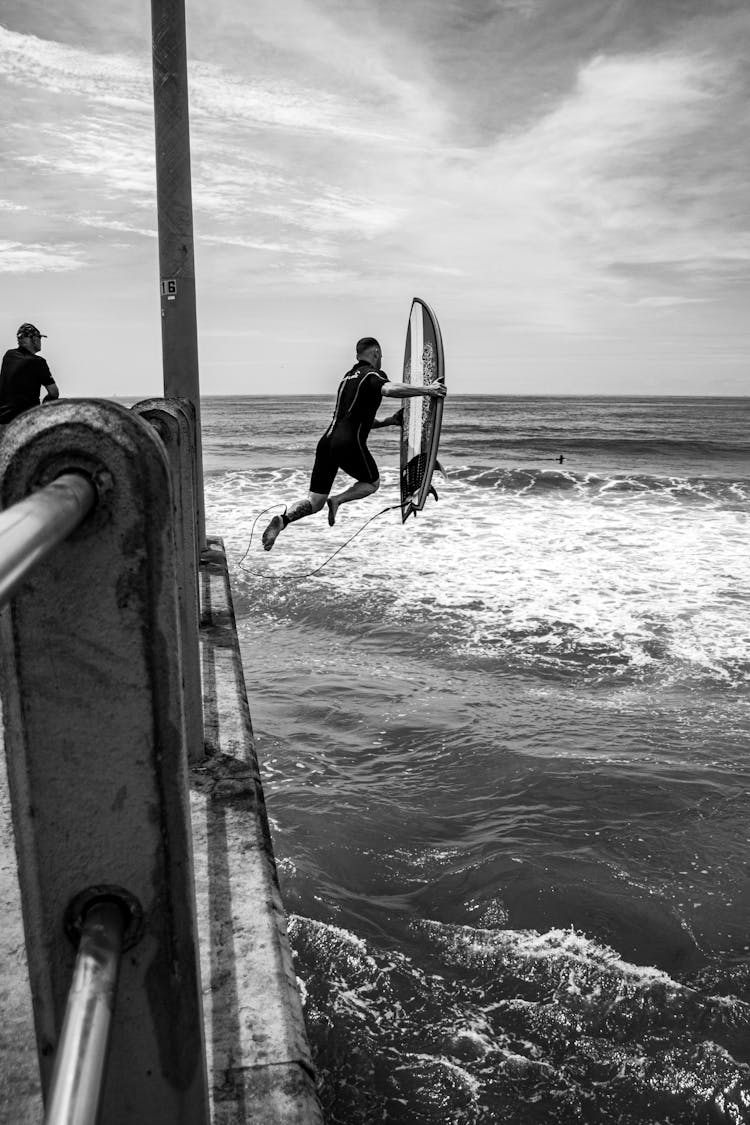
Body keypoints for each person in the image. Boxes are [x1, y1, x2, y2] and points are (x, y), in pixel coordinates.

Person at [262, 336, 446, 551]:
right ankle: (338, 500)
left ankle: (283, 520)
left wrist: (390, 421)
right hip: (347, 444)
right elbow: (388, 389)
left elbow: (354, 419)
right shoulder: (371, 374)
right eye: (381, 356)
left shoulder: (347, 379)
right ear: (376, 353)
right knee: (372, 483)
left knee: (314, 501)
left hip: (327, 442)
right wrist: (428, 390)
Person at [0, 323, 59, 424]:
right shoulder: (38, 362)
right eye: (39, 337)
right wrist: (42, 408)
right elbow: (54, 392)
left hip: (2, 419)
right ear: (32, 339)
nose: (40, 341)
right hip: (24, 421)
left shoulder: (8, 355)